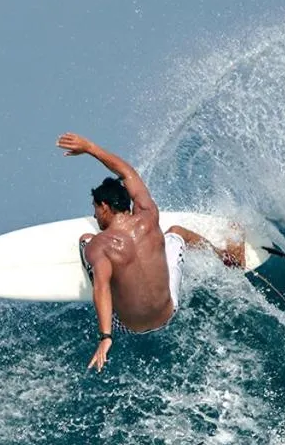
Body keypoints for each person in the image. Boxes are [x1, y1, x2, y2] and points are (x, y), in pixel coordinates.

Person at [57, 132, 254, 371]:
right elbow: (128, 173)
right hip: (169, 308)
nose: (95, 215)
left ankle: (111, 272)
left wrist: (105, 337)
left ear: (106, 207)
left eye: (96, 209)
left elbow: (100, 288)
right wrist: (90, 147)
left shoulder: (101, 244)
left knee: (85, 241)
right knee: (176, 231)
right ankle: (226, 257)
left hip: (128, 326)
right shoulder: (149, 215)